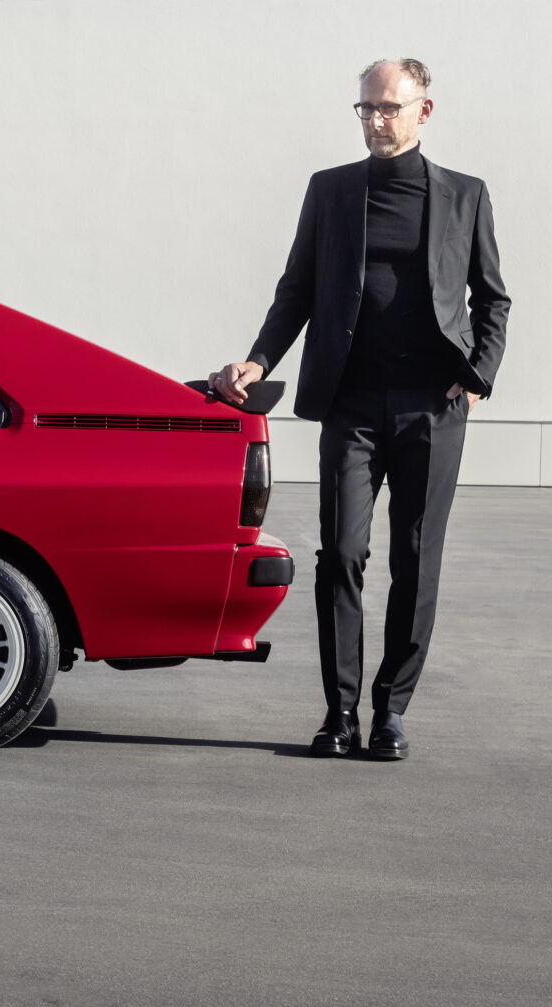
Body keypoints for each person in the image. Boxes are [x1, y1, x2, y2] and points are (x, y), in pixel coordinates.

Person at [213, 59, 510, 760]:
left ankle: (391, 710)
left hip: (432, 408)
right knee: (342, 553)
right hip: (351, 406)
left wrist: (478, 376)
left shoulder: (465, 195)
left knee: (416, 559)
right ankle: (340, 711)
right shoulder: (332, 190)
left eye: (389, 108)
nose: (376, 120)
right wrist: (260, 359)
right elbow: (297, 289)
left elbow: (492, 297)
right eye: (366, 108)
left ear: (423, 110)